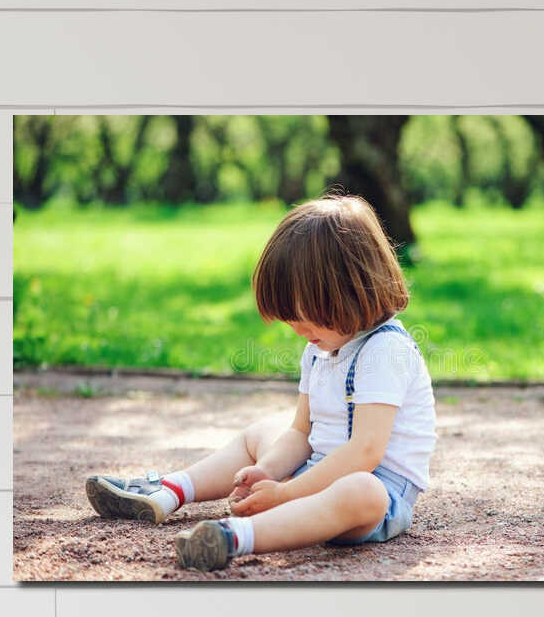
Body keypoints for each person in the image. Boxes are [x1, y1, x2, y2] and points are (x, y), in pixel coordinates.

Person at [83, 193, 436, 572]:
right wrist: (268, 471)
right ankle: (171, 490)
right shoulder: (320, 347)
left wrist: (286, 492)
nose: (297, 329)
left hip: (373, 495)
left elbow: (365, 452)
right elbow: (302, 433)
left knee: (361, 492)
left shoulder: (385, 351)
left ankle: (234, 537)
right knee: (263, 432)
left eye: (305, 316)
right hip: (313, 476)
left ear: (349, 293)